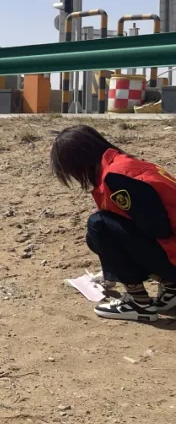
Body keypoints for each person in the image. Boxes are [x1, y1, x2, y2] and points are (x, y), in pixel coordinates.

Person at [51, 124, 176, 322]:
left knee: (99, 226)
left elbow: (158, 227)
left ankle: (139, 303)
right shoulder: (125, 164)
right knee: (101, 232)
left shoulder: (116, 177)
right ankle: (171, 288)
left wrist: (119, 261)